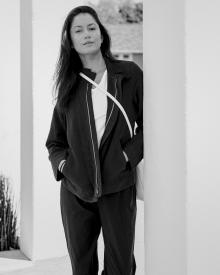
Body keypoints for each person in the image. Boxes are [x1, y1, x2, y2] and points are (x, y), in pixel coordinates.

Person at [45, 5, 143, 275]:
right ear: (70, 41)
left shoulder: (129, 75)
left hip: (118, 187)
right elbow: (55, 141)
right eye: (78, 30)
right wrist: (65, 166)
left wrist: (127, 156)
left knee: (121, 267)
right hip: (76, 190)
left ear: (101, 34)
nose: (86, 34)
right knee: (82, 267)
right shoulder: (70, 85)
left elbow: (151, 127)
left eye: (91, 28)